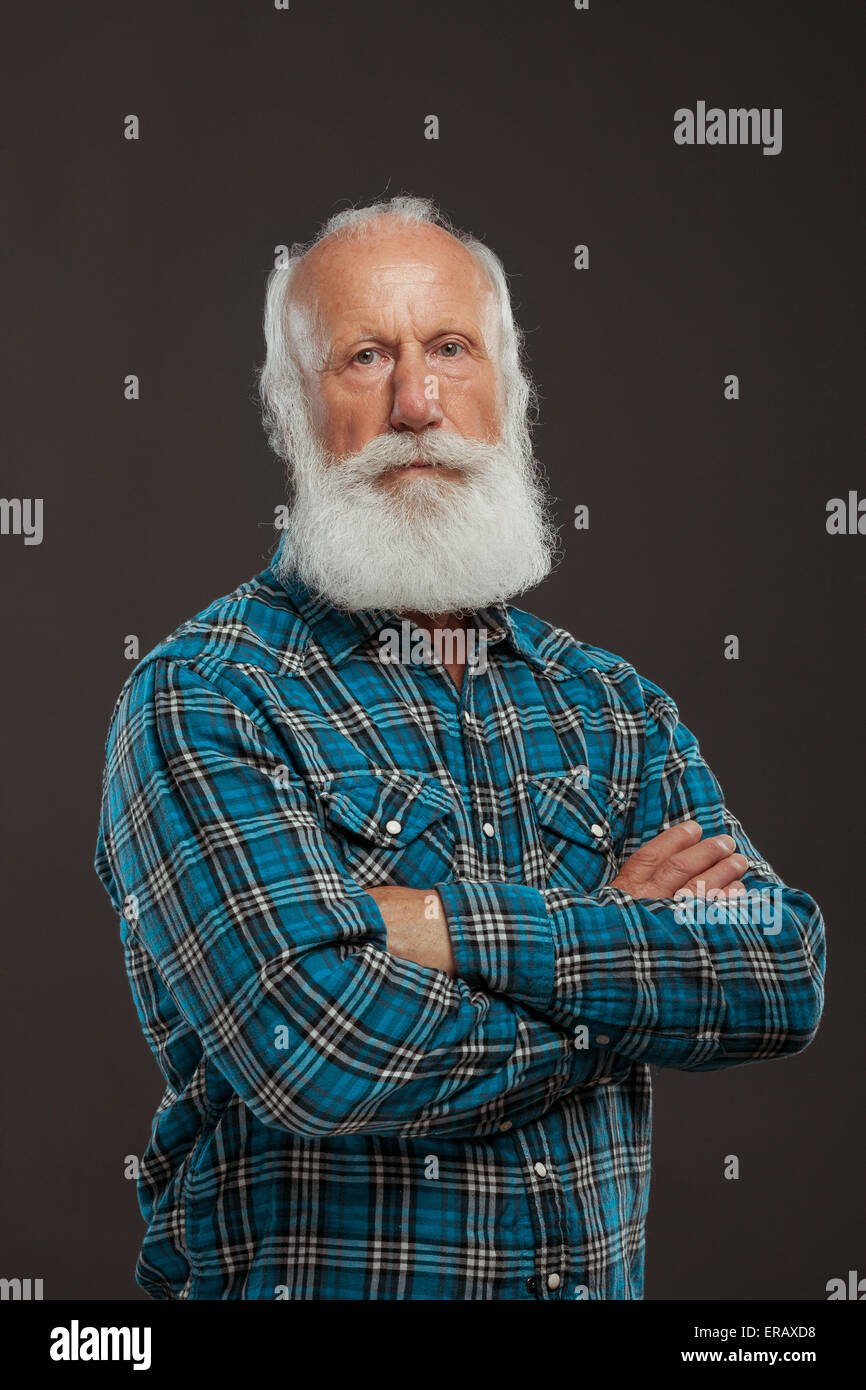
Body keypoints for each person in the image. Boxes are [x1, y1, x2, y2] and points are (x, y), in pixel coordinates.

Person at [94, 194, 825, 1300]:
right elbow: (320, 1049)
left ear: (509, 392)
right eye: (363, 357)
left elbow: (776, 967)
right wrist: (623, 971)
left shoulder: (612, 705)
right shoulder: (203, 695)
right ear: (290, 406)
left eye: (448, 348)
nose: (415, 402)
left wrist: (430, 924)